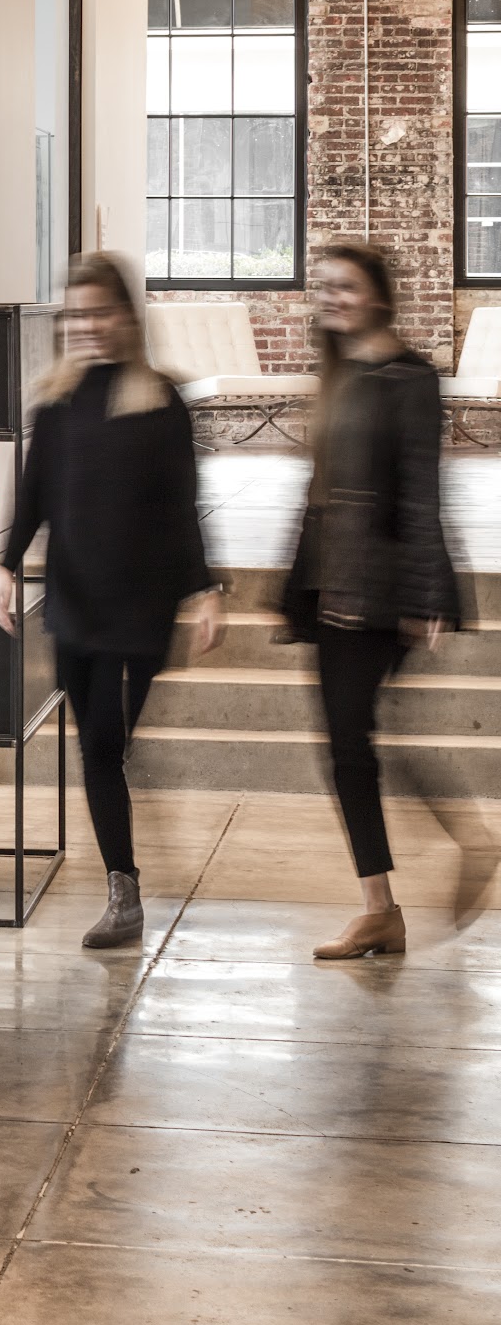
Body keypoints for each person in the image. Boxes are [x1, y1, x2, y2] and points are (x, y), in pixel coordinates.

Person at [0, 253, 221, 948]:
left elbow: (183, 506)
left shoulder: (159, 402)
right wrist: (4, 566)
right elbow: (35, 497)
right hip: (76, 601)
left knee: (104, 743)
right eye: (76, 315)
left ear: (126, 316)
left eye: (100, 313)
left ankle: (124, 890)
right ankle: (125, 892)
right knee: (96, 747)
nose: (86, 326)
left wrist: (206, 588)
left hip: (142, 608)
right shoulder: (56, 403)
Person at [283, 242, 458, 961]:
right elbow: (319, 490)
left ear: (378, 296)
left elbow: (421, 490)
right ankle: (385, 905)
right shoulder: (339, 373)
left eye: (346, 287)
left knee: (351, 743)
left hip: (381, 590)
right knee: (350, 743)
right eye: (325, 286)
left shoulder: (410, 379)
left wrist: (426, 593)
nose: (332, 297)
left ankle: (395, 897)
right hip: (330, 587)